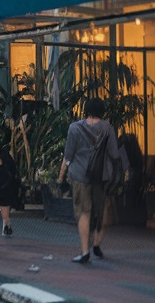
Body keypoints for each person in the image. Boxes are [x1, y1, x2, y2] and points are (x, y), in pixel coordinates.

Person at [57, 97, 122, 264]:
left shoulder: (74, 128)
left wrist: (61, 176)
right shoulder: (107, 128)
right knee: (100, 210)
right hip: (101, 177)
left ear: (86, 110)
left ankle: (85, 251)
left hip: (79, 176)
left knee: (83, 212)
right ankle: (97, 244)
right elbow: (115, 154)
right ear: (102, 111)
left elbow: (68, 156)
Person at [0, 137, 21, 239]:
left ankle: (6, 223)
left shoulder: (3, 154)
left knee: (4, 196)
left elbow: (9, 170)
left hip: (3, 182)